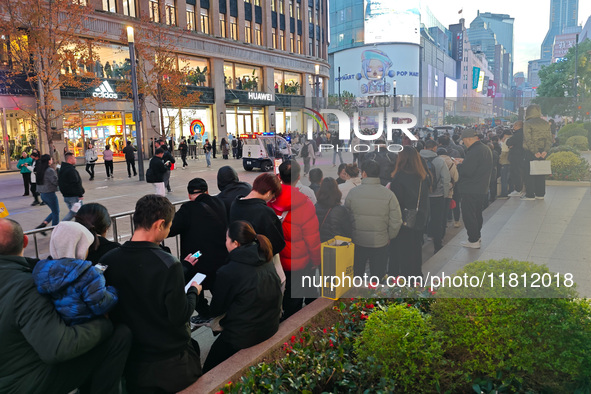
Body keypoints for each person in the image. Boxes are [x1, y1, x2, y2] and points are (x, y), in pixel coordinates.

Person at [0, 218, 131, 394]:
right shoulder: (25, 286)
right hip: (21, 383)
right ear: (25, 240)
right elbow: (58, 347)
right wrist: (105, 325)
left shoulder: (38, 272)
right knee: (120, 335)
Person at [102, 195, 203, 393]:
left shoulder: (109, 260)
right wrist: (193, 291)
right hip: (168, 362)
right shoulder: (168, 264)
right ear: (160, 224)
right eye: (169, 226)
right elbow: (179, 315)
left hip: (132, 358)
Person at [202, 221, 282, 372]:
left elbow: (216, 309)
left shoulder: (228, 271)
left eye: (226, 239)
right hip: (270, 325)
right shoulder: (265, 257)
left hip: (243, 335)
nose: (225, 242)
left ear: (236, 243)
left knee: (209, 370)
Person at [32, 221, 118, 325]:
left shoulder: (41, 272)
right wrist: (112, 290)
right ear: (79, 248)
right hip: (87, 324)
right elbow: (100, 305)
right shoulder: (88, 274)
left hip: (60, 326)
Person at [168, 178, 228, 323]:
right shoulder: (219, 202)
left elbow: (170, 229)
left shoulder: (188, 209)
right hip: (221, 255)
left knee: (192, 283)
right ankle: (222, 312)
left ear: (189, 195)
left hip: (197, 257)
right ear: (207, 191)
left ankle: (205, 313)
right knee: (217, 287)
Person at [268, 161, 321, 320]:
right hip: (299, 262)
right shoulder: (305, 203)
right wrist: (315, 261)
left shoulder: (269, 200)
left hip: (276, 261)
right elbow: (312, 238)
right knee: (295, 300)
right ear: (298, 177)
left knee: (281, 297)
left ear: (279, 176)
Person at [345, 160, 402, 278]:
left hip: (358, 242)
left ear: (364, 173)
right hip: (380, 243)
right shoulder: (388, 194)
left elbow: (347, 217)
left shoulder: (353, 193)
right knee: (377, 277)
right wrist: (389, 236)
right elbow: (396, 220)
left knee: (357, 277)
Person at [388, 146, 431, 277]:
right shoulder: (423, 177)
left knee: (400, 251)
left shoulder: (399, 178)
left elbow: (396, 204)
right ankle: (416, 276)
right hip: (419, 219)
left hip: (403, 221)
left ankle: (401, 278)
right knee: (416, 249)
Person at [229, 173, 285, 257]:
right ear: (269, 193)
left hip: (237, 255)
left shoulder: (235, 203)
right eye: (273, 197)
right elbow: (277, 244)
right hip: (256, 259)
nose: (271, 200)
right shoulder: (265, 212)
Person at [455, 128, 493, 249]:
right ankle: (477, 236)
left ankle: (473, 240)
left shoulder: (474, 151)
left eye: (464, 140)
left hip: (470, 188)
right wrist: (465, 162)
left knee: (469, 215)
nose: (463, 143)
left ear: (469, 139)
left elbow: (468, 171)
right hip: (481, 187)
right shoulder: (484, 148)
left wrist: (459, 165)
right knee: (477, 214)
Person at [420, 140, 451, 253]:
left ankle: (420, 242)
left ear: (424, 147)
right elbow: (446, 179)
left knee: (422, 219)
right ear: (434, 148)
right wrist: (445, 194)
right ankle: (437, 245)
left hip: (422, 195)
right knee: (437, 220)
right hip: (438, 195)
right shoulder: (439, 160)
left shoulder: (417, 159)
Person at [522, 104, 553, 200]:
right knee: (541, 172)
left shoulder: (527, 123)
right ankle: (540, 194)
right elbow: (549, 138)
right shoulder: (545, 123)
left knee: (529, 172)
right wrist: (545, 151)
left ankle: (530, 194)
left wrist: (534, 151)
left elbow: (528, 139)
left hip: (531, 151)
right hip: (543, 151)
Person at [315, 177, 352, 242]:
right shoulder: (340, 210)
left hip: (319, 244)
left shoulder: (315, 207)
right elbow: (348, 231)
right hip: (335, 246)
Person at [436, 147, 458, 239]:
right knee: (445, 212)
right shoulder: (452, 163)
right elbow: (456, 178)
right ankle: (442, 232)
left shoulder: (435, 162)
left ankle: (433, 233)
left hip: (436, 191)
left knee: (436, 213)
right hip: (448, 191)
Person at [35, 154, 60, 229]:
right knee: (56, 212)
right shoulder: (49, 170)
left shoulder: (40, 169)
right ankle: (54, 229)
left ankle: (44, 224)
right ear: (49, 161)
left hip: (43, 194)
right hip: (49, 194)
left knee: (54, 211)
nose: (52, 160)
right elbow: (55, 182)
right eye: (51, 159)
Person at [58, 152, 85, 222]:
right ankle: (61, 225)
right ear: (70, 159)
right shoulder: (71, 170)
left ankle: (78, 226)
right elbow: (76, 183)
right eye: (74, 158)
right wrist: (80, 194)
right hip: (74, 197)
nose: (75, 159)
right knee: (75, 213)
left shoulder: (62, 169)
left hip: (66, 196)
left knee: (76, 213)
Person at [507, 121, 525, 197]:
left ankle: (518, 190)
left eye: (514, 125)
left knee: (516, 173)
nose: (513, 127)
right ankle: (519, 189)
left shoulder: (518, 134)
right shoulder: (524, 134)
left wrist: (511, 145)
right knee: (519, 172)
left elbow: (508, 142)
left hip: (516, 156)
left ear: (517, 126)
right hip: (521, 155)